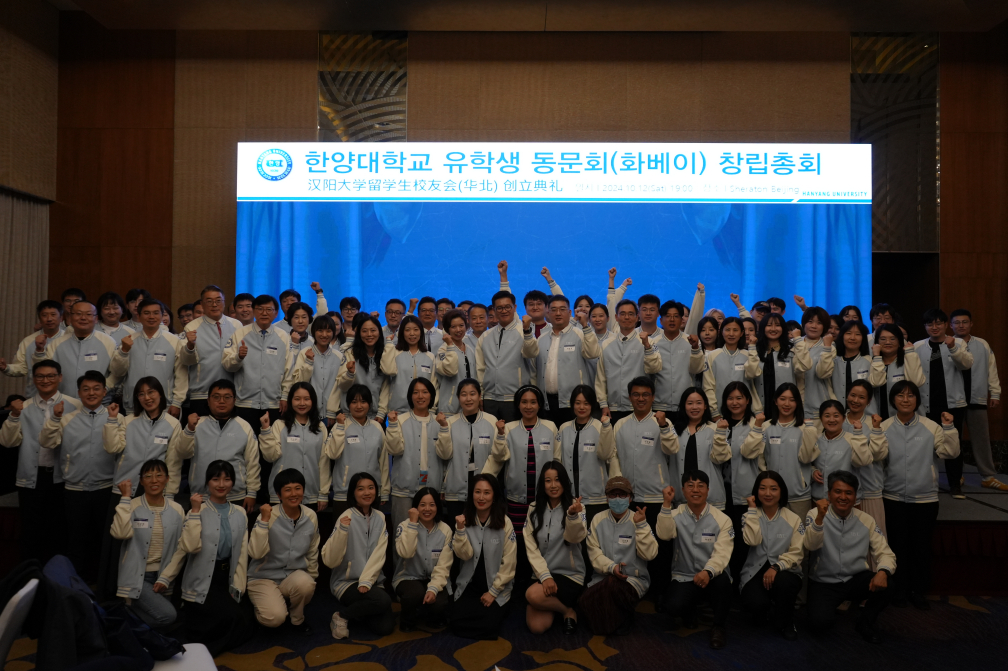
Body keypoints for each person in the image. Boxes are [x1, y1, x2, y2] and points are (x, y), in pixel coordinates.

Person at [879, 381, 959, 609]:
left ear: (917, 400)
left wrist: (949, 427)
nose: (905, 400)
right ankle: (899, 589)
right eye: (901, 396)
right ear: (893, 400)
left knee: (921, 546)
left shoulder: (931, 426)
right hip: (892, 497)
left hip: (924, 498)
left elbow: (950, 452)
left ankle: (918, 590)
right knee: (897, 546)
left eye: (911, 396)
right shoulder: (883, 427)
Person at [161, 460, 255, 656]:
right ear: (207, 483)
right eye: (216, 479)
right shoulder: (198, 510)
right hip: (202, 579)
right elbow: (187, 548)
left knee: (246, 619)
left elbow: (241, 554)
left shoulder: (239, 513)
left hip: (226, 578)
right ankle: (205, 648)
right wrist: (166, 577)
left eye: (227, 479)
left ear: (233, 483)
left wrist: (238, 587)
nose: (221, 484)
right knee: (224, 619)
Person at [1, 360, 81, 563]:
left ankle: (57, 581)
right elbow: (8, 442)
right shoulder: (23, 407)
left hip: (62, 478)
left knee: (60, 533)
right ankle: (30, 580)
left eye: (51, 376)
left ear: (60, 378)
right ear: (34, 379)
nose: (46, 380)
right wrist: (14, 415)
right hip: (31, 478)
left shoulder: (75, 405)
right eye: (40, 376)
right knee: (31, 533)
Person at [38, 371, 115, 581]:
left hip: (105, 488)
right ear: (79, 393)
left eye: (96, 388)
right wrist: (54, 417)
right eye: (86, 389)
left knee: (103, 541)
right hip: (74, 490)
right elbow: (47, 442)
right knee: (75, 542)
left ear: (104, 391)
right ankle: (76, 589)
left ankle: (101, 589)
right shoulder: (66, 419)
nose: (91, 393)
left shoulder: (115, 418)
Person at [805, 471, 896, 643]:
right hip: (824, 582)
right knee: (819, 624)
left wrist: (883, 571)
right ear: (829, 494)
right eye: (838, 492)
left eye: (849, 493)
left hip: (855, 579)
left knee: (889, 584)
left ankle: (865, 623)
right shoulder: (815, 515)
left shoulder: (866, 520)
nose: (843, 497)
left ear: (855, 497)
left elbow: (885, 552)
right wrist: (819, 518)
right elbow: (810, 545)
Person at [482, 385, 557, 590]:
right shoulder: (508, 428)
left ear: (540, 404)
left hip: (543, 500)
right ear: (518, 404)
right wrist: (481, 482)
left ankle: (540, 580)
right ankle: (517, 583)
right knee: (518, 544)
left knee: (541, 541)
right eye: (524, 401)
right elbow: (498, 458)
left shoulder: (550, 427)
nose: (529, 406)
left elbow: (557, 461)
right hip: (516, 499)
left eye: (533, 401)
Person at [657, 471, 734, 649]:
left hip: (713, 575)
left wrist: (708, 571)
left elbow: (723, 553)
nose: (696, 490)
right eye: (690, 486)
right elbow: (664, 534)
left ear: (708, 490)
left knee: (724, 584)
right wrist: (667, 504)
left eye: (701, 486)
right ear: (683, 490)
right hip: (684, 575)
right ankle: (689, 609)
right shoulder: (675, 514)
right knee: (672, 607)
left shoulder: (722, 519)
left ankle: (718, 627)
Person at [111, 459, 186, 628]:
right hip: (138, 576)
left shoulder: (177, 509)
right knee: (168, 616)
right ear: (141, 480)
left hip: (163, 577)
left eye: (159, 475)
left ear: (167, 479)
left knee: (163, 625)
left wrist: (167, 578)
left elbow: (181, 549)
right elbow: (120, 534)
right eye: (148, 476)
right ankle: (120, 623)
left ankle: (125, 622)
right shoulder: (131, 505)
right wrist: (124, 498)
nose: (154, 480)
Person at [578, 475, 658, 635]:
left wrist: (641, 526)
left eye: (622, 495)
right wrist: (612, 567)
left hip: (632, 580)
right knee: (583, 601)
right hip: (602, 578)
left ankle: (610, 624)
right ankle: (616, 622)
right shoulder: (597, 520)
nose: (617, 499)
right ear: (607, 498)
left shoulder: (639, 520)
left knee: (612, 589)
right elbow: (594, 552)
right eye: (613, 495)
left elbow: (650, 554)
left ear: (630, 499)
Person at [247, 468, 321, 632]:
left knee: (306, 583)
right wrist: (264, 521)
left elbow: (312, 550)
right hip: (263, 576)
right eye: (287, 490)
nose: (293, 494)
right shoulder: (268, 515)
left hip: (293, 575)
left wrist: (312, 579)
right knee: (274, 618)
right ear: (279, 495)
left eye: (297, 488)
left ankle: (297, 619)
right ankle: (263, 605)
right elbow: (256, 553)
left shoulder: (310, 516)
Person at [323, 471, 393, 638]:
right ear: (353, 493)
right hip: (347, 582)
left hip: (372, 581)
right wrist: (342, 531)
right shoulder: (346, 517)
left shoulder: (380, 517)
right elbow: (329, 560)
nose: (367, 492)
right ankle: (341, 617)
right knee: (382, 601)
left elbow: (379, 553)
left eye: (370, 488)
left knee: (384, 628)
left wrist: (368, 581)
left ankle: (360, 612)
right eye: (361, 489)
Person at [448, 473, 517, 640]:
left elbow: (509, 563)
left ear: (494, 496)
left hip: (495, 586)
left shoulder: (504, 523)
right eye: (477, 492)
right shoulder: (464, 520)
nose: (481, 497)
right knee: (454, 621)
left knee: (489, 625)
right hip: (470, 585)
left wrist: (493, 592)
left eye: (487, 492)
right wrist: (460, 530)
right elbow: (464, 555)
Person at [385, 378, 451, 546]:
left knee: (430, 539)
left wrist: (444, 427)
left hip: (431, 491)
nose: (420, 396)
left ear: (432, 396)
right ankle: (401, 573)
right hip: (403, 491)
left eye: (425, 392)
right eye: (415, 392)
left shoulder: (441, 422)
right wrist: (392, 425)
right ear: (410, 396)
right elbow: (394, 450)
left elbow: (445, 455)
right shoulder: (400, 420)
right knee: (402, 539)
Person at [914, 308, 973, 498]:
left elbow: (966, 364)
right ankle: (926, 484)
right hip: (926, 405)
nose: (934, 327)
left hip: (952, 404)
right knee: (925, 446)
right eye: (930, 324)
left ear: (946, 325)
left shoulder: (959, 343)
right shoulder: (917, 346)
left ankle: (955, 484)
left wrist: (953, 348)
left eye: (939, 323)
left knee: (953, 446)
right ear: (925, 327)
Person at [739, 471, 804, 640]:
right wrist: (752, 510)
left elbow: (797, 553)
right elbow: (752, 540)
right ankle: (766, 609)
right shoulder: (748, 516)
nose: (768, 493)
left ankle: (786, 621)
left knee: (784, 583)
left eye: (773, 489)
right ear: (756, 491)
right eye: (762, 488)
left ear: (781, 491)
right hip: (755, 571)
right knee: (756, 605)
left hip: (785, 571)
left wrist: (777, 566)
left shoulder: (793, 518)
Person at [524, 462, 588, 634]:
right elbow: (531, 549)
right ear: (542, 484)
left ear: (564, 482)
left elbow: (575, 538)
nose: (553, 485)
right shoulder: (533, 509)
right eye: (548, 481)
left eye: (557, 480)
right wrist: (545, 577)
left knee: (532, 595)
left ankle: (564, 609)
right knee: (537, 627)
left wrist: (573, 516)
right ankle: (564, 609)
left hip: (569, 575)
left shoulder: (576, 506)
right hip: (541, 574)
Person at [178, 379, 260, 512]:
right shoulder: (196, 425)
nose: (221, 401)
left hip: (235, 496)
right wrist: (189, 430)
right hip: (200, 496)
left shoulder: (244, 427)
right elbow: (182, 453)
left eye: (227, 397)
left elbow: (253, 463)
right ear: (208, 400)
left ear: (234, 400)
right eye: (216, 397)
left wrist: (252, 492)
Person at [221, 294, 293, 439]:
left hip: (274, 403)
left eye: (269, 309)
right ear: (254, 311)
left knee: (271, 446)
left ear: (276, 313)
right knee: (245, 445)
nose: (264, 313)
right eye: (260, 309)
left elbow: (289, 369)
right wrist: (238, 357)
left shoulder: (283, 336)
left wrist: (285, 396)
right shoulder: (240, 333)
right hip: (245, 403)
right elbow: (227, 364)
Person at [949, 309, 1006, 489]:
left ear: (971, 324)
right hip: (953, 400)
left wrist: (995, 393)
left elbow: (992, 369)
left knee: (982, 438)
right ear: (950, 325)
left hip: (977, 397)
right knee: (952, 440)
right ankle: (955, 476)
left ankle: (988, 476)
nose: (961, 325)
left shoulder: (982, 344)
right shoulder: (946, 344)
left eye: (965, 322)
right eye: (957, 322)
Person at [716, 381, 765, 586]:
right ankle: (727, 585)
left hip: (747, 493)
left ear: (747, 400)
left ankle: (747, 585)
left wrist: (757, 427)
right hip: (722, 493)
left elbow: (749, 453)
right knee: (725, 541)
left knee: (747, 543)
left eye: (739, 398)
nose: (734, 402)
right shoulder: (718, 425)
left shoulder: (757, 424)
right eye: (730, 398)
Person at [526, 295, 601, 426]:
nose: (558, 313)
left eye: (562, 309)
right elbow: (534, 371)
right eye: (553, 310)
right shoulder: (541, 339)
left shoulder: (581, 334)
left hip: (575, 404)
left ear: (570, 312)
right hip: (547, 404)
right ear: (547, 313)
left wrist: (585, 325)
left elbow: (593, 354)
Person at [751, 383, 819, 520]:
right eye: (783, 399)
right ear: (776, 401)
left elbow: (808, 458)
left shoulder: (805, 429)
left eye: (792, 399)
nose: (787, 403)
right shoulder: (766, 427)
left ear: (798, 403)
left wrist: (809, 475)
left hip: (799, 495)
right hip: (772, 496)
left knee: (800, 536)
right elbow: (760, 458)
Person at [110, 299, 188, 416]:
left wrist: (177, 402)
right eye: (146, 313)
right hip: (133, 404)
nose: (151, 316)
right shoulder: (129, 341)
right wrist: (124, 351)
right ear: (139, 316)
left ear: (162, 316)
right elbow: (117, 372)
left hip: (164, 404)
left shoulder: (174, 341)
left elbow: (181, 374)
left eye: (156, 313)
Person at [259, 382, 331, 509]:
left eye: (306, 399)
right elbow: (270, 456)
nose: (302, 403)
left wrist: (323, 493)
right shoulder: (280, 424)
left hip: (311, 493)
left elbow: (323, 462)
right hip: (282, 491)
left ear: (313, 401)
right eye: (297, 399)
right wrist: (266, 430)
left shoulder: (320, 427)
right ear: (290, 401)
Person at [554, 385, 618, 526]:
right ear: (572, 405)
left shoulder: (600, 427)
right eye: (577, 403)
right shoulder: (564, 428)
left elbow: (606, 455)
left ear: (592, 405)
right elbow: (557, 460)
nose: (581, 407)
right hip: (569, 497)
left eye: (586, 403)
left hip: (596, 497)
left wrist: (607, 428)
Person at [393, 486, 454, 632]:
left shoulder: (445, 530)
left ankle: (430, 615)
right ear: (415, 507)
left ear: (438, 507)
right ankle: (408, 619)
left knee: (439, 604)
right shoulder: (404, 526)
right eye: (422, 505)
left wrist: (433, 589)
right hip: (408, 577)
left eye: (432, 505)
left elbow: (443, 566)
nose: (427, 509)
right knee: (414, 594)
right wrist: (413, 524)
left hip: (435, 577)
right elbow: (406, 553)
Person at [437, 378, 498, 521]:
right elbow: (445, 455)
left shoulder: (492, 421)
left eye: (472, 394)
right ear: (458, 398)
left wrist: (485, 480)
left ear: (479, 396)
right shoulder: (450, 422)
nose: (468, 398)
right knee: (457, 533)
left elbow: (497, 456)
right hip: (455, 490)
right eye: (464, 394)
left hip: (484, 491)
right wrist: (444, 428)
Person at [180, 285, 243, 417]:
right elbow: (185, 361)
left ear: (224, 302)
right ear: (202, 304)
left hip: (229, 394)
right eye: (209, 301)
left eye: (218, 300)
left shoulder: (236, 325)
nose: (214, 304)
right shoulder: (192, 327)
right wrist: (190, 346)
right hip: (201, 393)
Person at [476, 290, 539, 423]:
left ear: (514, 308)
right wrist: (480, 395)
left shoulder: (524, 332)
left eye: (507, 307)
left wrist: (527, 332)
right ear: (493, 309)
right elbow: (480, 369)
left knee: (514, 438)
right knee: (491, 438)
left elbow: (531, 353)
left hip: (515, 399)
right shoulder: (485, 336)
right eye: (499, 308)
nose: (504, 311)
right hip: (489, 399)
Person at [595, 300, 662, 423]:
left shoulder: (649, 342)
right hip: (612, 408)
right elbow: (601, 377)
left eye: (631, 314)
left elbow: (655, 369)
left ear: (637, 317)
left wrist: (647, 346)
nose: (626, 317)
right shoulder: (606, 344)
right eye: (622, 313)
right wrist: (603, 404)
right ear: (616, 317)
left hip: (640, 407)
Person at [35, 301, 117, 398]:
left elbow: (116, 373)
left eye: (88, 314)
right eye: (78, 314)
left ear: (96, 319)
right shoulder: (57, 343)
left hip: (99, 402)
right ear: (70, 317)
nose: (83, 318)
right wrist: (39, 351)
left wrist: (104, 388)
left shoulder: (108, 342)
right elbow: (44, 372)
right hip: (63, 403)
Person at [669, 388, 729, 509]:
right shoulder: (673, 430)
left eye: (699, 403)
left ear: (706, 406)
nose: (694, 407)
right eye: (690, 403)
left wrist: (721, 433)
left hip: (711, 498)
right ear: (683, 406)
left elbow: (721, 458)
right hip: (680, 498)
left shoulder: (717, 429)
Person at [844, 381, 889, 536]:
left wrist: (876, 430)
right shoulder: (837, 421)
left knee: (873, 539)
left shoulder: (875, 423)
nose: (856, 400)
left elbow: (879, 455)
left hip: (870, 490)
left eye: (861, 397)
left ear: (869, 401)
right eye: (853, 395)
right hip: (843, 492)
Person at [810, 399, 875, 501]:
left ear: (843, 418)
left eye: (836, 416)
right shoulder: (815, 439)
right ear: (821, 419)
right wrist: (812, 471)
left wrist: (858, 434)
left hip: (846, 501)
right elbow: (808, 463)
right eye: (827, 416)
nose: (832, 420)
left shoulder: (853, 439)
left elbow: (863, 461)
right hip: (819, 499)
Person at [0, 299, 64, 397]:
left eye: (53, 314)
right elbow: (22, 367)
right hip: (35, 396)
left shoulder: (69, 339)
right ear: (39, 318)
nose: (49, 319)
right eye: (44, 315)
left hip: (64, 396)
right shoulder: (28, 341)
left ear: (61, 318)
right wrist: (6, 368)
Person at [331, 314, 388, 422]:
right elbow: (342, 386)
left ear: (380, 332)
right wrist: (349, 373)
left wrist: (381, 412)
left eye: (373, 330)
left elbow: (386, 387)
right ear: (359, 333)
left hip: (376, 416)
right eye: (364, 331)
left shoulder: (385, 355)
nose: (369, 334)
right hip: (350, 415)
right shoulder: (350, 354)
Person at [652, 300, 704, 415]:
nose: (672, 320)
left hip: (686, 404)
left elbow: (697, 369)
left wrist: (695, 348)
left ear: (681, 320)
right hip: (659, 405)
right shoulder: (653, 342)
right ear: (661, 320)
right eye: (668, 316)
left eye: (676, 316)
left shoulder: (692, 341)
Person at [290, 315, 345, 423]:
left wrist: (332, 411)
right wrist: (309, 362)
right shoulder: (304, 353)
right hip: (308, 413)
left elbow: (340, 386)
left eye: (328, 331)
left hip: (332, 415)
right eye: (320, 330)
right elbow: (299, 383)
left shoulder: (339, 356)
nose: (324, 335)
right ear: (313, 331)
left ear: (334, 332)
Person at [704, 316, 761, 418]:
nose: (731, 334)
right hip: (719, 412)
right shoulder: (711, 356)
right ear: (721, 332)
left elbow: (753, 374)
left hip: (746, 412)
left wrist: (752, 347)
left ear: (742, 333)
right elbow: (708, 386)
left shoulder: (748, 355)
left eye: (735, 330)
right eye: (727, 330)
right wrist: (714, 412)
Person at [381, 314, 437, 416]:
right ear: (401, 333)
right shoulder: (394, 353)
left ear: (421, 331)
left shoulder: (430, 356)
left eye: (416, 329)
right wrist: (389, 344)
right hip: (397, 411)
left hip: (423, 411)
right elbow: (388, 371)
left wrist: (432, 409)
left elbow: (433, 384)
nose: (412, 334)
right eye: (407, 330)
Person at [869, 323, 925, 420]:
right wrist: (877, 357)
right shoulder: (873, 362)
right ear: (876, 342)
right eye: (883, 339)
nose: (887, 342)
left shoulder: (909, 359)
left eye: (893, 339)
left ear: (900, 341)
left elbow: (916, 382)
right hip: (879, 417)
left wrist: (910, 353)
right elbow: (876, 382)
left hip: (906, 418)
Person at [792, 306, 836, 422]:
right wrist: (797, 342)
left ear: (824, 326)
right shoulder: (793, 344)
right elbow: (799, 369)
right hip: (794, 406)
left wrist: (826, 348)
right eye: (810, 322)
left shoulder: (829, 347)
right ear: (804, 323)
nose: (814, 326)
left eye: (819, 323)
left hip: (820, 405)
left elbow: (823, 374)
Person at [435, 309, 478, 415]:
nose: (458, 330)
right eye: (453, 327)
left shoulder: (469, 349)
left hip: (469, 407)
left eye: (461, 325)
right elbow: (451, 370)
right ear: (447, 329)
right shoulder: (443, 350)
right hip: (449, 409)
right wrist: (450, 346)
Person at [750, 314, 796, 411]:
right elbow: (750, 374)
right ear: (763, 328)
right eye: (769, 325)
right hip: (760, 405)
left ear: (783, 328)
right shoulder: (755, 350)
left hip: (786, 405)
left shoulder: (792, 350)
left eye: (778, 325)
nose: (773, 329)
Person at [832, 320, 874, 414]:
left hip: (866, 414)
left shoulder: (869, 361)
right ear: (842, 336)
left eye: (858, 334)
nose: (852, 338)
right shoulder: (833, 360)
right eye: (848, 333)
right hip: (838, 414)